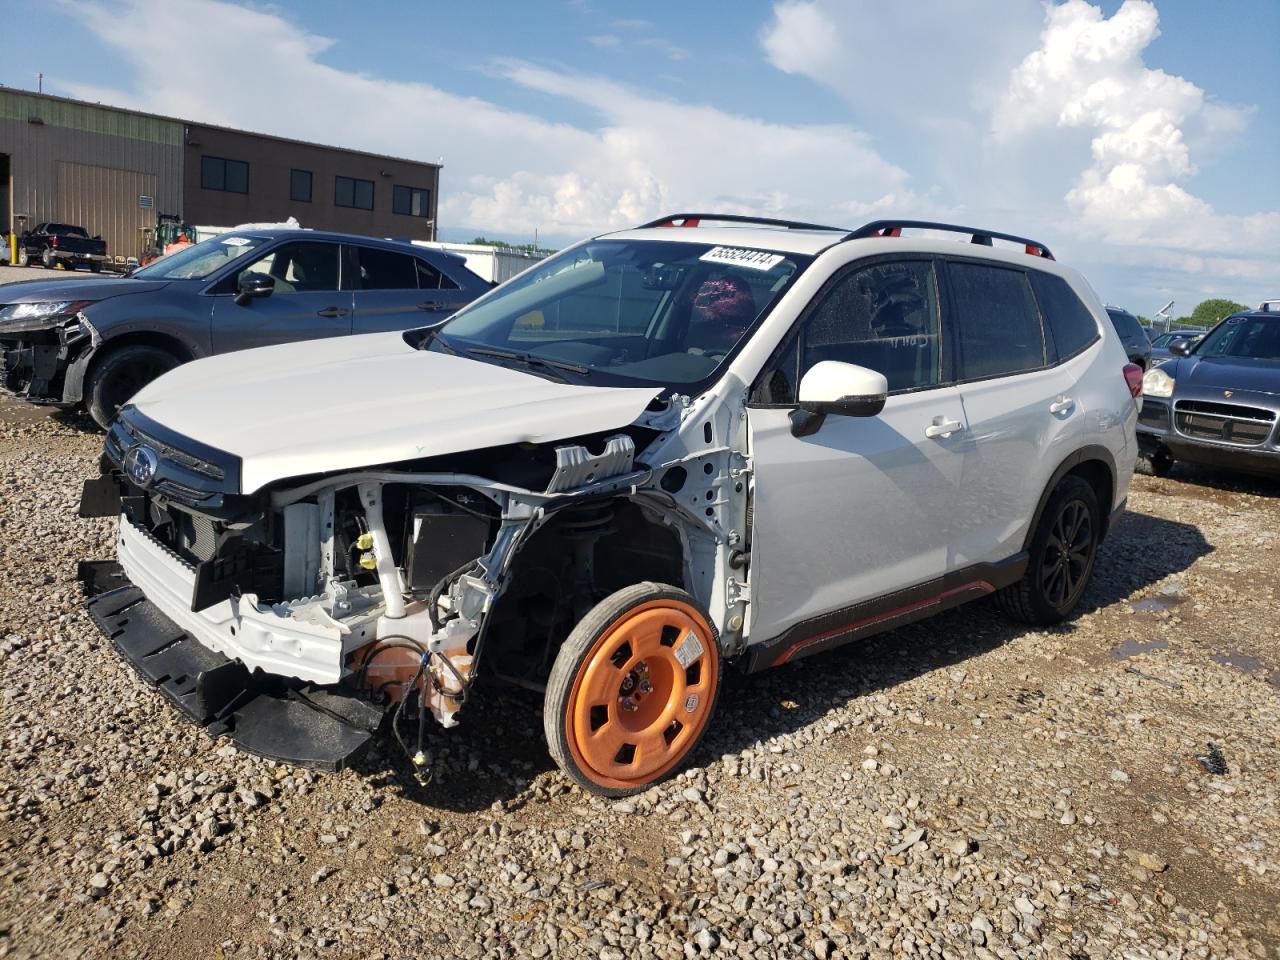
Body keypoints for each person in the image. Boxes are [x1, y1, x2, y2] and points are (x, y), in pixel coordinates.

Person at [686, 275, 757, 357]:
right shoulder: (698, 332)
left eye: (729, 294)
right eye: (717, 293)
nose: (719, 298)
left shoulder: (755, 338)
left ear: (746, 299)